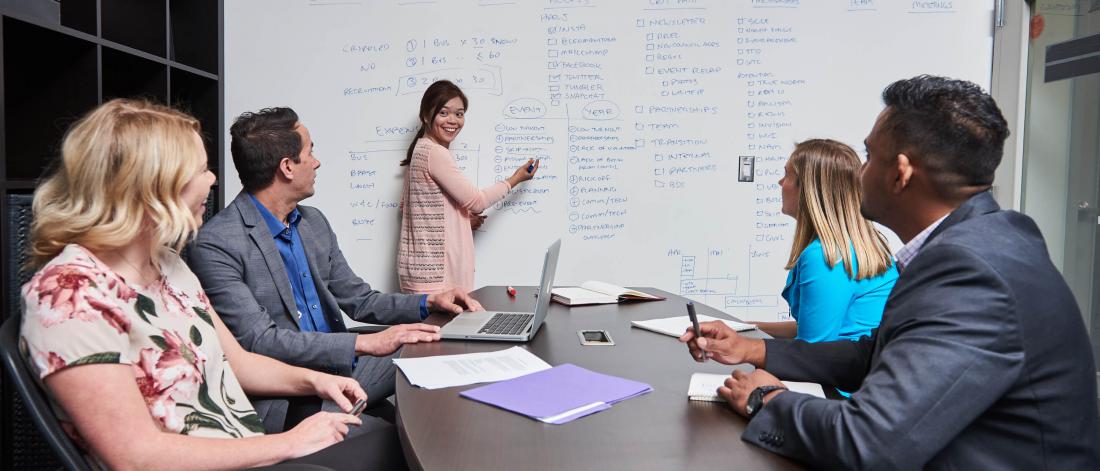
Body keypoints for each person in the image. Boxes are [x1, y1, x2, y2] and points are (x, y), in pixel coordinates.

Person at [680, 75, 1100, 469]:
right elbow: (873, 354)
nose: (859, 172)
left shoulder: (973, 273)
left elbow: (869, 443)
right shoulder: (979, 243)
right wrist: (752, 350)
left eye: (867, 156)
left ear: (900, 173)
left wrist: (766, 399)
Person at [20, 98, 399, 470]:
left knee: (391, 442)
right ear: (152, 185)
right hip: (226, 459)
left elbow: (240, 362)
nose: (214, 179)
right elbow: (136, 458)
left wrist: (315, 381)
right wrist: (289, 442)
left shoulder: (167, 264)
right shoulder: (68, 294)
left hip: (244, 446)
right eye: (201, 169)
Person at [187, 107, 483, 437]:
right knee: (407, 409)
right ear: (287, 167)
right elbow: (261, 342)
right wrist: (364, 344)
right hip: (292, 395)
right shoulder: (216, 243)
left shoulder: (313, 223)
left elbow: (359, 299)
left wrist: (430, 302)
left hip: (342, 367)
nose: (316, 162)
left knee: (438, 342)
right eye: (309, 152)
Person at [397, 79, 539, 294]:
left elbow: (414, 208)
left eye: (459, 113)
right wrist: (515, 179)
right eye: (443, 113)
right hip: (434, 279)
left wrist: (460, 220)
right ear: (426, 116)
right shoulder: (435, 153)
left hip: (422, 275)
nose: (452, 120)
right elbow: (477, 201)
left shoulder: (420, 150)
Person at [752, 139, 897, 343]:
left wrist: (749, 349)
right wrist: (747, 328)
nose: (780, 183)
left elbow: (811, 350)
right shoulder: (851, 249)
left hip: (840, 371)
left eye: (787, 175)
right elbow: (814, 327)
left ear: (809, 190)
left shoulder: (825, 257)